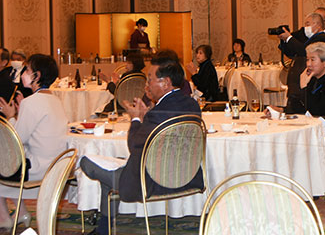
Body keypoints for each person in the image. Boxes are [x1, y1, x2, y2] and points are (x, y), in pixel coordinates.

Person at [79, 53, 202, 235]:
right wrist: (146, 117)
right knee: (113, 169)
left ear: (166, 83)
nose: (147, 85)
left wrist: (136, 118)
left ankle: (103, 230)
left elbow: (134, 145)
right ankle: (103, 230)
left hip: (153, 181)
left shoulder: (158, 113)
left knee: (86, 162)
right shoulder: (191, 104)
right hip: (186, 176)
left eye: (150, 79)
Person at [0, 54, 68, 230]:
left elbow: (17, 140)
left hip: (37, 167)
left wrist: (10, 116)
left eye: (27, 70)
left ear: (36, 76)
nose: (23, 73)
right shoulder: (55, 99)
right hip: (56, 164)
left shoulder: (31, 103)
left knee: (5, 160)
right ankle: (21, 212)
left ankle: (4, 217)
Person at [267, 42, 325, 166]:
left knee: (294, 146)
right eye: (307, 60)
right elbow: (301, 107)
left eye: (313, 60)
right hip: (323, 131)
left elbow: (315, 110)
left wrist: (304, 87)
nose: (308, 64)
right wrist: (280, 110)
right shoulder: (315, 79)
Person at [278, 13, 325, 113]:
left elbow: (303, 50)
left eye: (307, 24)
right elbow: (293, 52)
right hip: (298, 86)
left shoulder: (321, 39)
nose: (309, 63)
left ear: (318, 25)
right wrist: (285, 40)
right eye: (308, 60)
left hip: (309, 87)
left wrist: (289, 38)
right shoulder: (309, 39)